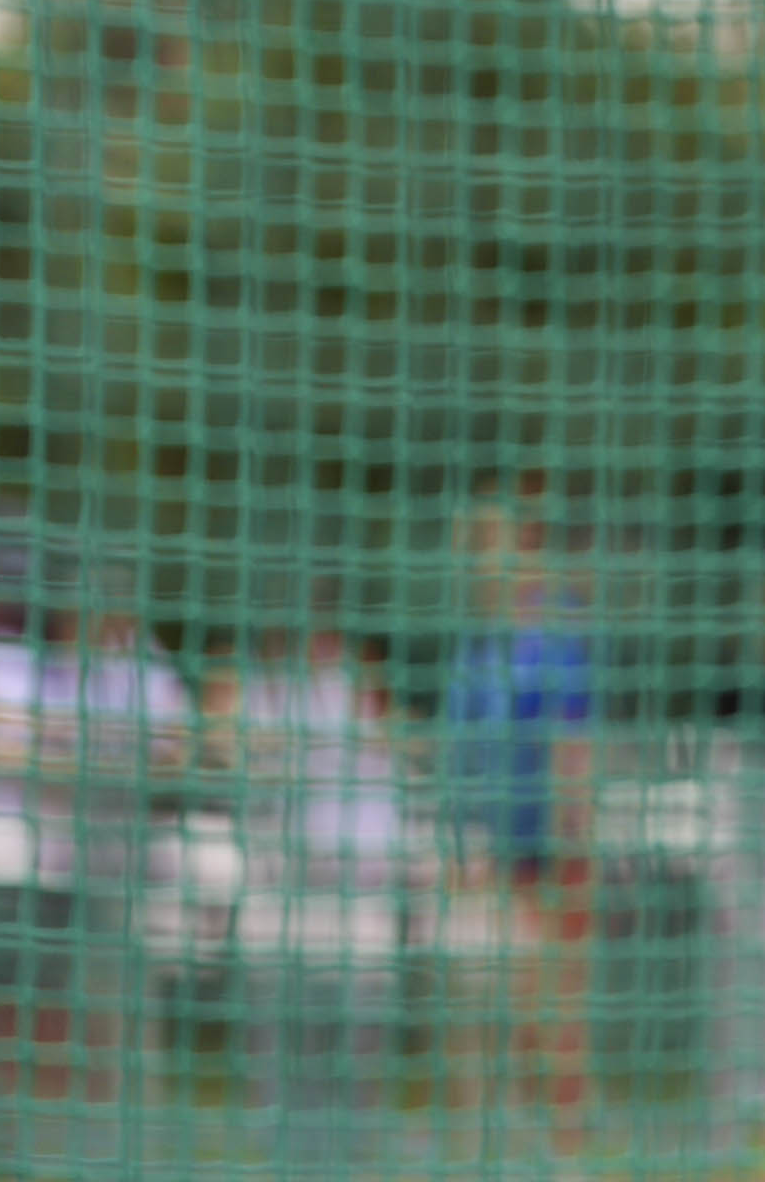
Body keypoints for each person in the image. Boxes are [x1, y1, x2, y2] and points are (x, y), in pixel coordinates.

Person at [0, 556, 196, 1151]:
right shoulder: (15, 661)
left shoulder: (139, 663)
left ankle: (115, 1141)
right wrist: (100, 762)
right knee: (15, 1011)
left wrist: (79, 760)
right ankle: (10, 1141)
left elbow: (178, 749)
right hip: (22, 868)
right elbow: (1, 749)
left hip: (111, 872)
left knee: (111, 1014)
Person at [198, 597, 407, 1172]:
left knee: (359, 1027)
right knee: (279, 1026)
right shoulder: (262, 690)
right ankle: (280, 1145)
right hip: (282, 883)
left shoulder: (352, 689)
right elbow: (221, 736)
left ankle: (353, 1145)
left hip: (356, 884)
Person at [431, 477, 601, 1164]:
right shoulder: (477, 649)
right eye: (469, 545)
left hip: (542, 860)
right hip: (480, 861)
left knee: (551, 1018)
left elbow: (571, 751)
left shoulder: (553, 636)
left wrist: (568, 855)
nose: (476, 559)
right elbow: (458, 762)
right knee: (472, 1020)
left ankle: (565, 1160)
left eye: (487, 542)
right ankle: (484, 1157)